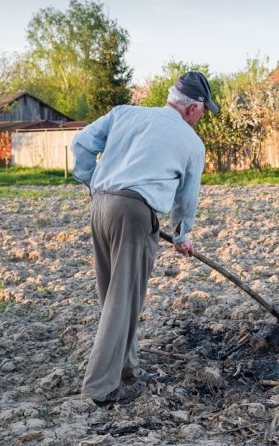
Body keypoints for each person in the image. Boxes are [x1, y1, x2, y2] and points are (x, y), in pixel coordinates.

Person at [71, 71, 218, 406]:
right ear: (193, 109)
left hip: (102, 206)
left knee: (113, 295)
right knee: (123, 300)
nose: (203, 116)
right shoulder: (192, 143)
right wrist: (183, 235)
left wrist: (91, 182)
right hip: (135, 214)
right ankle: (100, 388)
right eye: (204, 110)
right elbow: (186, 199)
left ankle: (128, 369)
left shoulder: (124, 112)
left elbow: (79, 143)